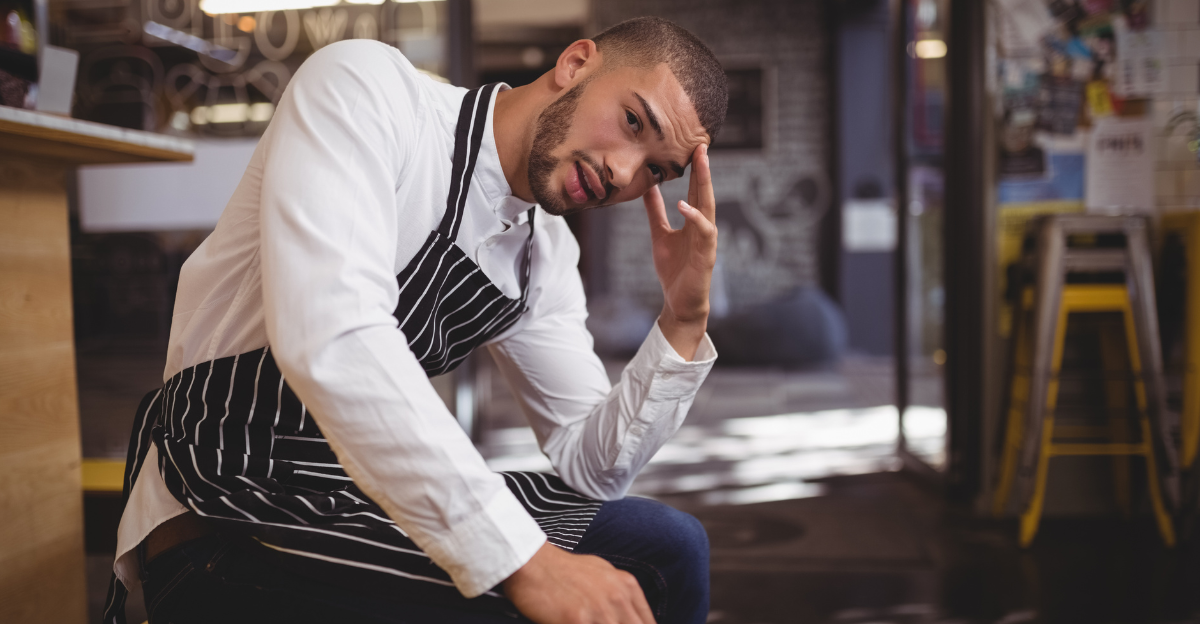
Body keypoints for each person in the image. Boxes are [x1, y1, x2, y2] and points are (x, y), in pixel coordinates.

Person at [103, 15, 728, 624]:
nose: (623, 171)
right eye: (631, 121)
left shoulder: (547, 255)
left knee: (670, 546)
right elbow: (334, 337)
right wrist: (527, 564)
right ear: (574, 64)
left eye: (655, 169)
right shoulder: (368, 89)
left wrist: (682, 315)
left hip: (364, 501)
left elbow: (593, 467)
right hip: (226, 504)